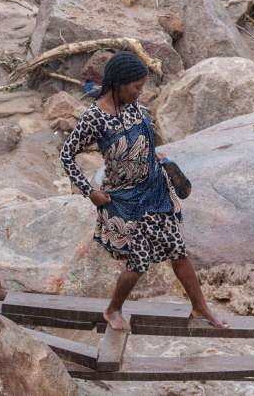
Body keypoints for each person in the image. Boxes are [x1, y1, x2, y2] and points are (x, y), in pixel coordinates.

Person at [60, 52, 229, 331]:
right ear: (118, 83)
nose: (140, 92)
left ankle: (200, 307)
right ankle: (112, 310)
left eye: (142, 86)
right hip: (124, 200)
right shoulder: (95, 118)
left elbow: (146, 143)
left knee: (179, 251)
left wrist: (161, 162)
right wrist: (90, 191)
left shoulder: (137, 109)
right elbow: (67, 155)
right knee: (138, 262)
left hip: (155, 191)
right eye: (136, 86)